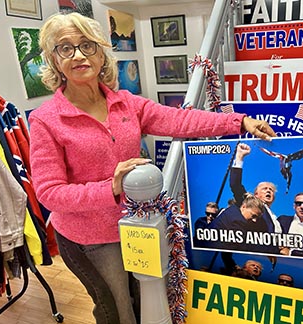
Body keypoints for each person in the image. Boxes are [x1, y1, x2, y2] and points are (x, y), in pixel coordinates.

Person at [29, 13, 276, 324]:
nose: (79, 55)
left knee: (144, 300)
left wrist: (238, 121)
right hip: (91, 240)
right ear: (53, 59)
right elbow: (49, 193)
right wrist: (111, 187)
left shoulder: (126, 103)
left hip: (136, 226)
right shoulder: (46, 119)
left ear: (100, 51)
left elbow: (182, 120)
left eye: (87, 45)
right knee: (117, 312)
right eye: (65, 48)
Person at [230, 143, 282, 254]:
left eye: (271, 190)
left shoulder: (275, 218)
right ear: (256, 194)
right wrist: (239, 157)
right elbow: (235, 185)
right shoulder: (251, 204)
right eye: (264, 189)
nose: (268, 191)